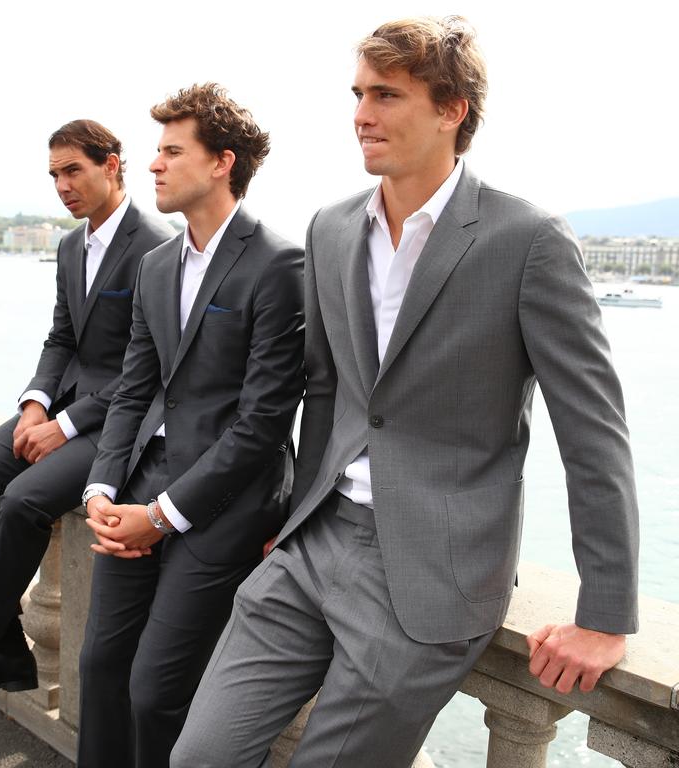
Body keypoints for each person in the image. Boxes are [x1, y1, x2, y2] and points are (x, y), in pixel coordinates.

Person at [172, 17, 640, 768]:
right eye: (358, 93)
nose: (361, 113)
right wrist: (296, 516)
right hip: (311, 549)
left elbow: (594, 434)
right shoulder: (330, 229)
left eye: (386, 94)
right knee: (198, 756)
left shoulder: (530, 241)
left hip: (429, 571)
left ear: (452, 108)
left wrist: (606, 613)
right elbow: (325, 391)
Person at [0, 120, 173, 717]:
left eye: (74, 171)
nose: (62, 186)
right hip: (64, 404)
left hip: (124, 419)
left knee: (21, 500)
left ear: (112, 165)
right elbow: (61, 336)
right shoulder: (71, 245)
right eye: (54, 175)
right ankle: (3, 646)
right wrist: (36, 402)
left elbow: (153, 367)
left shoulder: (158, 244)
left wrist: (65, 426)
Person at [77, 84, 305, 768]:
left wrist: (166, 515)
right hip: (142, 483)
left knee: (154, 692)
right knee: (98, 666)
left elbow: (264, 421)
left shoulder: (279, 264)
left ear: (220, 164)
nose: (154, 165)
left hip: (226, 506)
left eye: (173, 151)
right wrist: (99, 491)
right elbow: (133, 394)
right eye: (157, 151)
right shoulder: (154, 267)